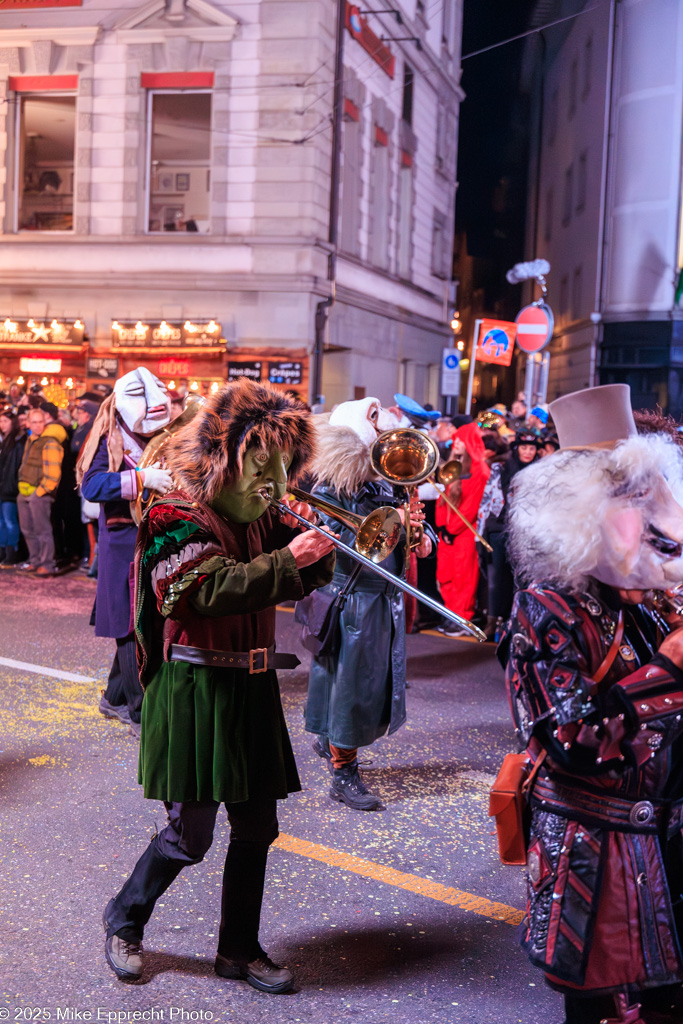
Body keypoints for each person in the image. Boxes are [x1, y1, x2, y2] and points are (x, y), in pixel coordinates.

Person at [102, 379, 335, 992]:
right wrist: (295, 559)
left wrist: (341, 546)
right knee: (191, 834)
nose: (273, 484)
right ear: (225, 456)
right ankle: (124, 919)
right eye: (262, 464)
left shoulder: (256, 513)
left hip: (253, 686)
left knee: (258, 828)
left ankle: (238, 950)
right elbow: (199, 590)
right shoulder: (172, 511)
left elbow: (297, 568)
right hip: (196, 687)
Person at [500, 384, 683, 1024]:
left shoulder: (655, 598)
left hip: (665, 841)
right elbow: (570, 741)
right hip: (592, 850)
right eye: (632, 502)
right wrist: (668, 670)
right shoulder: (548, 608)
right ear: (581, 516)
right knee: (597, 1008)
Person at [303, 397, 431, 811]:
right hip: (354, 598)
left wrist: (419, 534)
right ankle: (344, 773)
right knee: (351, 688)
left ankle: (332, 740)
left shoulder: (382, 484)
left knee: (356, 684)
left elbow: (411, 541)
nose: (384, 428)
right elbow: (356, 545)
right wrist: (394, 518)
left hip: (380, 598)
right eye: (374, 422)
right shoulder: (332, 489)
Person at [77, 368, 175, 735]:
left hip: (152, 536)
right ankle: (139, 711)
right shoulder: (108, 437)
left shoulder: (161, 435)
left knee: (144, 619)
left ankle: (115, 697)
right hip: (121, 542)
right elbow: (92, 485)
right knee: (129, 625)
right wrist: (141, 479)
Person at [477, 429, 541, 637]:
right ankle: (493, 621)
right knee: (497, 579)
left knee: (521, 579)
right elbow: (487, 500)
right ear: (516, 448)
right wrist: (480, 534)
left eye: (532, 448)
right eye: (524, 447)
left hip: (525, 532)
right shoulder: (501, 468)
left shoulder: (540, 471)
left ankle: (517, 622)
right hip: (498, 528)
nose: (528, 452)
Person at [435, 421, 490, 633]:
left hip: (465, 533)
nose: (454, 443)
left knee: (463, 577)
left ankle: (462, 618)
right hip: (448, 532)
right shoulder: (452, 468)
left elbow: (471, 507)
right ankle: (452, 614)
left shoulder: (480, 471)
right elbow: (443, 499)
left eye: (459, 440)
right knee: (445, 574)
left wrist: (452, 529)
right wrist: (442, 527)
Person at [16, 406, 67, 576]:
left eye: (41, 422)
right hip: (25, 491)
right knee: (28, 530)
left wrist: (38, 493)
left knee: (42, 530)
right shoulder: (32, 440)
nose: (38, 425)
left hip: (39, 494)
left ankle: (47, 564)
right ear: (28, 423)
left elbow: (53, 475)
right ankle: (35, 560)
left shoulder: (50, 442)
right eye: (35, 422)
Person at [0, 410, 27, 567]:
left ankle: (13, 552)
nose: (2, 424)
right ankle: (3, 550)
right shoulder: (6, 440)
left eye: (4, 421)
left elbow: (15, 467)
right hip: (3, 486)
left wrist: (12, 485)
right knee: (1, 521)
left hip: (10, 488)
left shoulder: (18, 441)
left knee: (10, 521)